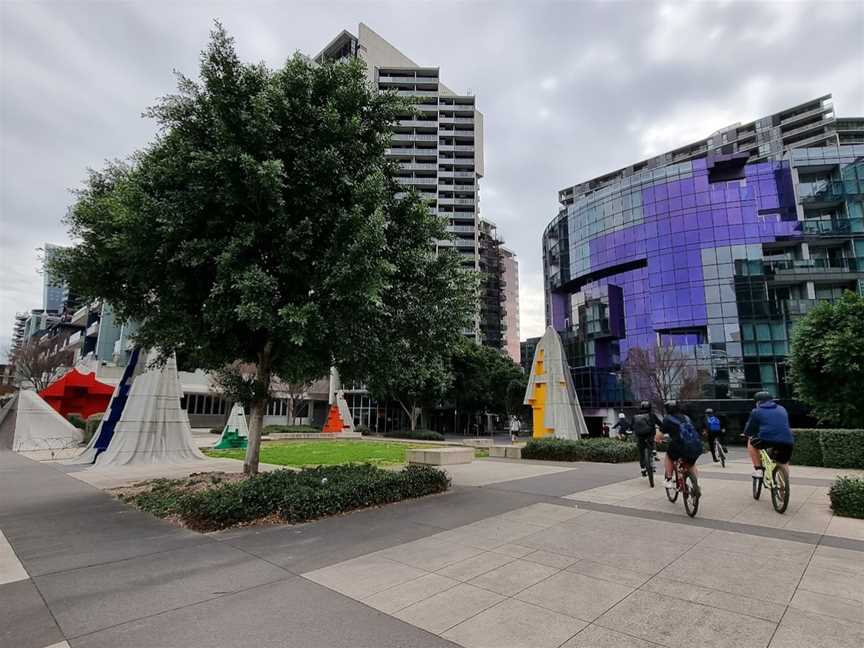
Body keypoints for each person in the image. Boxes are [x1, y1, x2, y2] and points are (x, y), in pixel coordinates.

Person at [744, 392, 794, 479]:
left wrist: (746, 434)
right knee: (783, 463)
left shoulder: (756, 411)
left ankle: (758, 469)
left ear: (758, 402)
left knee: (750, 441)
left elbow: (749, 430)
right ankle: (784, 489)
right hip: (788, 440)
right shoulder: (782, 409)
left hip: (767, 439)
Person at [656, 400, 703, 491]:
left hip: (680, 446)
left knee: (669, 456)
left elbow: (659, 435)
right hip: (696, 446)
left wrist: (658, 440)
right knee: (691, 464)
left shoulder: (667, 419)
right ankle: (695, 486)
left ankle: (669, 479)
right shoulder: (686, 417)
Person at [632, 401, 663, 477]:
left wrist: (629, 430)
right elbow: (660, 423)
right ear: (650, 407)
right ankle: (654, 452)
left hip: (640, 436)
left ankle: (643, 469)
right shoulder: (652, 415)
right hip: (650, 435)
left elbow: (631, 426)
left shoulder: (635, 416)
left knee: (641, 453)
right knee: (652, 441)